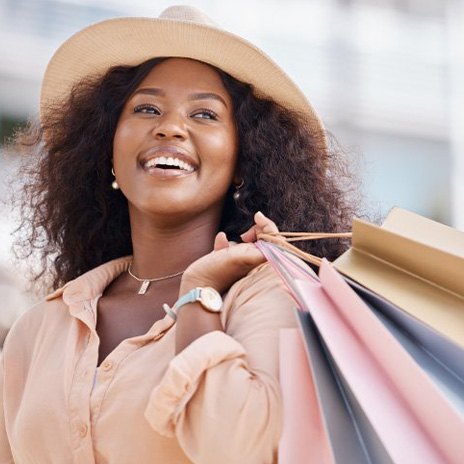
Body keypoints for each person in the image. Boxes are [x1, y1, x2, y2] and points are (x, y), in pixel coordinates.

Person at [1, 5, 356, 463]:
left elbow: (240, 450)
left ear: (244, 161)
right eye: (147, 108)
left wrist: (200, 295)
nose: (169, 127)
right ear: (107, 148)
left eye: (205, 115)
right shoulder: (40, 329)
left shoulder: (267, 298)